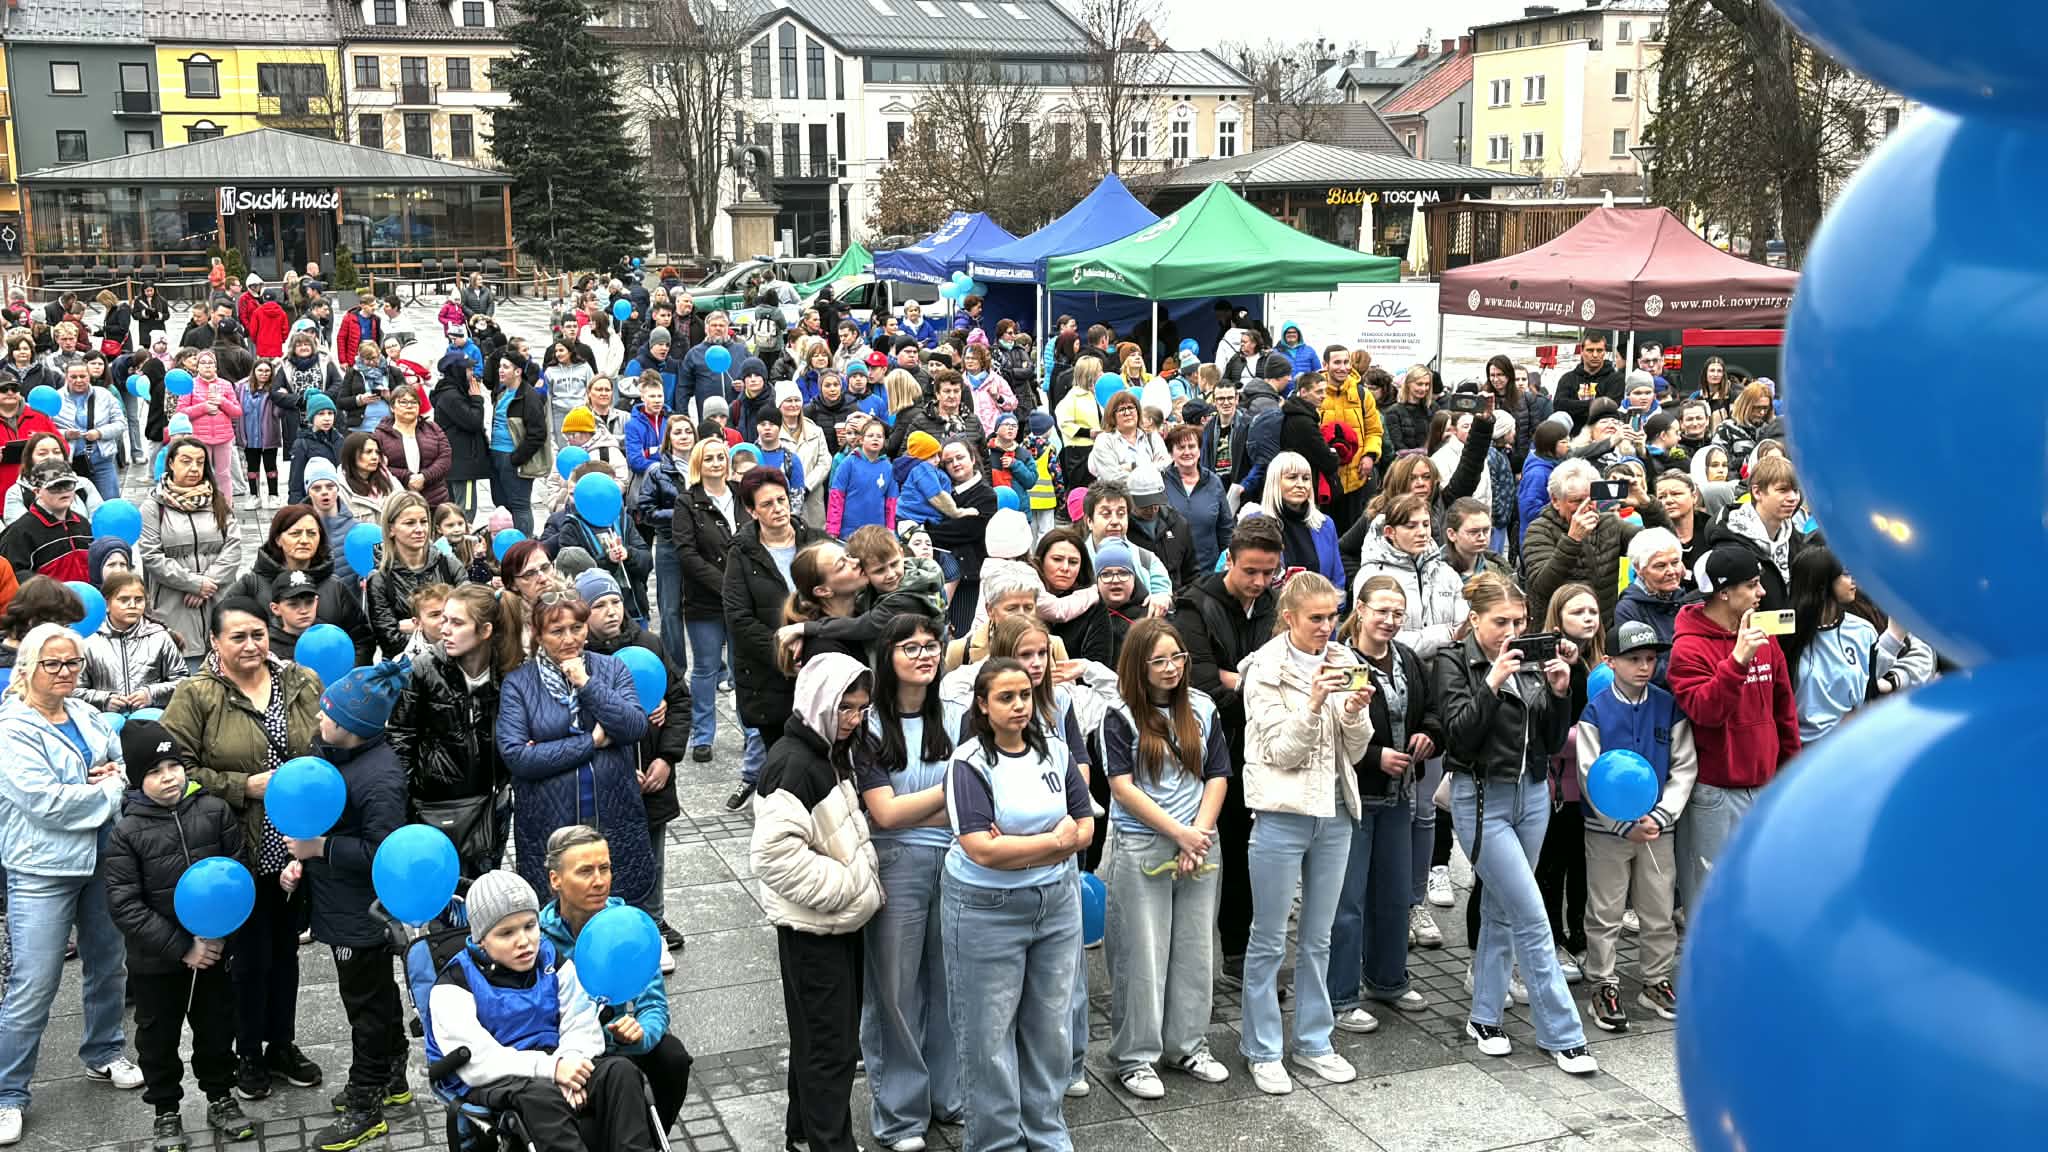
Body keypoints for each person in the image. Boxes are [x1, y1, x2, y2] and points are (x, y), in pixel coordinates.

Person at [159, 600, 324, 1103]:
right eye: (238, 637)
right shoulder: (196, 695)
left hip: (296, 846)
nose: (251, 645)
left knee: (287, 953)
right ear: (214, 642)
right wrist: (240, 786)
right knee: (248, 958)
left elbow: (321, 742)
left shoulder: (299, 681)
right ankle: (246, 1052)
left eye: (257, 634)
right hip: (237, 847)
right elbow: (172, 772)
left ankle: (282, 1044)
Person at [1434, 573, 1596, 1074]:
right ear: (1475, 619)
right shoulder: (1452, 660)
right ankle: (1562, 1033)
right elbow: (1458, 737)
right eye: (1500, 622)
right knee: (1531, 914)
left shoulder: (1529, 660)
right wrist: (1491, 682)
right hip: (1480, 797)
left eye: (1519, 621)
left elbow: (1549, 741)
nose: (1512, 631)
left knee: (1506, 910)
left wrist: (1561, 691)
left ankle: (1484, 1017)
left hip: (1532, 794)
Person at [942, 657, 1093, 1152]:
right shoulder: (968, 763)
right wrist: (1055, 843)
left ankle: (1046, 1134)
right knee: (987, 1037)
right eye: (1005, 697)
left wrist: (1028, 845)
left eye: (1025, 695)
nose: (1019, 706)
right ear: (982, 707)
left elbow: (1085, 820)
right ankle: (996, 1142)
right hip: (986, 908)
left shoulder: (1054, 750)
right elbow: (982, 848)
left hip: (1054, 903)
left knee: (1049, 1028)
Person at [0, 624, 143, 1147]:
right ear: (29, 667)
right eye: (53, 664)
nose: (65, 673)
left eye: (73, 663)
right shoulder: (12, 729)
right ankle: (7, 1092)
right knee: (33, 983)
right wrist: (105, 790)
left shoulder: (84, 712)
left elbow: (124, 763)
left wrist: (109, 779)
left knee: (109, 966)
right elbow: (48, 804)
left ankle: (104, 1052)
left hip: (102, 858)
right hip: (42, 868)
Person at [1236, 572, 1371, 1095]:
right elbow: (1280, 753)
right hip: (1281, 810)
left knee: (1319, 935)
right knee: (1268, 937)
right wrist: (1315, 704)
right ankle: (1263, 1047)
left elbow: (1355, 751)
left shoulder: (1344, 660)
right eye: (1316, 618)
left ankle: (1315, 1041)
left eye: (1332, 616)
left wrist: (1356, 715)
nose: (1326, 627)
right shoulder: (1264, 670)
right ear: (1288, 617)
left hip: (1335, 810)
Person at [424, 870, 664, 1152]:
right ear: (480, 940)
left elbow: (582, 1020)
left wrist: (570, 1064)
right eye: (506, 933)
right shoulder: (454, 984)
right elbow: (479, 1063)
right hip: (495, 1077)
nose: (524, 941)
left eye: (529, 926)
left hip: (556, 1060)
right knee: (541, 1096)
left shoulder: (550, 958)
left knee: (620, 1072)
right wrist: (552, 1071)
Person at [104, 718, 259, 1152]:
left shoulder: (214, 811)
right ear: (137, 780)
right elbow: (126, 905)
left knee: (215, 1027)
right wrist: (183, 947)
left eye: (173, 765)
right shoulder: (126, 833)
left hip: (215, 952)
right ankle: (166, 1110)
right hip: (158, 961)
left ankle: (220, 1096)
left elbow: (237, 871)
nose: (168, 777)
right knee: (157, 1036)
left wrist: (221, 935)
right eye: (154, 772)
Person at [749, 653, 880, 1152]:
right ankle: (830, 1142)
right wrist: (848, 884)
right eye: (846, 708)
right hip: (816, 928)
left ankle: (804, 1132)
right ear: (822, 701)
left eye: (862, 708)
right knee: (831, 1046)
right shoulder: (795, 763)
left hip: (833, 925)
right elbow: (773, 856)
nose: (855, 719)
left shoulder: (824, 749)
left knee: (821, 1038)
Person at [1102, 618, 1232, 1100]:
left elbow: (1217, 773)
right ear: (1138, 665)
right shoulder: (1119, 715)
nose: (1172, 668)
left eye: (1177, 657)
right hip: (1144, 843)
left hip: (1200, 839)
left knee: (1196, 951)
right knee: (1142, 953)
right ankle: (1135, 1057)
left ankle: (1188, 1045)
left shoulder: (1202, 707)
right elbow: (1121, 786)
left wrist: (1197, 835)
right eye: (1159, 661)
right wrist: (1177, 833)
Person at [286, 662, 410, 1151]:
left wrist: (320, 850)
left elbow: (383, 852)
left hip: (363, 914)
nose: (319, 718)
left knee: (365, 1006)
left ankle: (366, 1102)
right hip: (339, 903)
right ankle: (393, 1076)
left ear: (353, 728)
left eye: (328, 714)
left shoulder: (379, 778)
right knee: (376, 997)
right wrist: (305, 863)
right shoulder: (337, 758)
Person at [851, 615, 962, 1150]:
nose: (925, 655)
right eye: (911, 647)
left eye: (931, 646)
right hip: (893, 866)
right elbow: (886, 816)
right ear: (887, 657)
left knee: (949, 983)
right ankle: (899, 1112)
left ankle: (950, 1093)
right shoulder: (868, 725)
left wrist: (928, 806)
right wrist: (953, 792)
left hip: (959, 865)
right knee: (894, 989)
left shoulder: (959, 715)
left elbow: (975, 806)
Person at [1168, 518, 1281, 984]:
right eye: (1251, 571)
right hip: (1217, 751)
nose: (1259, 583)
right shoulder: (1194, 607)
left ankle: (1247, 948)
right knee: (1227, 849)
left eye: (1268, 573)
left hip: (1268, 749)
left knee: (1255, 856)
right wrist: (1262, 684)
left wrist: (1244, 679)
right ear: (1229, 560)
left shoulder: (1275, 603)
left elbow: (1295, 667)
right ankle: (1230, 953)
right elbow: (1205, 687)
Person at [1328, 574, 1440, 1033]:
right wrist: (1376, 756)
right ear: (1361, 609)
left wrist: (1428, 735)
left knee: (1394, 894)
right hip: (1353, 796)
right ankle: (1339, 994)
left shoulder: (1407, 659)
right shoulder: (1340, 659)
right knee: (1348, 900)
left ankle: (1389, 978)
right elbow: (1333, 730)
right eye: (1382, 611)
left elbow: (1431, 708)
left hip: (1399, 796)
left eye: (1398, 613)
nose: (1391, 620)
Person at [1575, 620, 1694, 1033]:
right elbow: (1590, 772)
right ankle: (1603, 982)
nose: (1644, 667)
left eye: (1650, 659)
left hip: (1658, 829)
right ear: (1610, 662)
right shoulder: (1596, 710)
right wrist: (1621, 823)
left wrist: (1662, 814)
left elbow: (1684, 766)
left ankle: (1655, 979)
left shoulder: (1668, 705)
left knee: (1658, 908)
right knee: (1605, 909)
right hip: (1606, 832)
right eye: (1633, 660)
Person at [496, 592, 653, 906]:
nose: (570, 638)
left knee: (616, 907)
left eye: (577, 628)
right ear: (538, 635)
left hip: (612, 813)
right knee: (560, 915)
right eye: (557, 631)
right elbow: (518, 757)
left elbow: (634, 726)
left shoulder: (611, 670)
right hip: (550, 821)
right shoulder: (519, 684)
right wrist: (590, 742)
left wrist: (587, 683)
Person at [1668, 544, 1801, 912]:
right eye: (1753, 585)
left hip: (1766, 783)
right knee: (1712, 897)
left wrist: (1790, 772)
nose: (1762, 593)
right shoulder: (1689, 648)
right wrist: (1738, 660)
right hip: (1717, 791)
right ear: (1724, 592)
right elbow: (1706, 711)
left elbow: (1783, 709)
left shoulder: (1763, 633)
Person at [539, 826, 695, 1135]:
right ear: (555, 880)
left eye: (605, 868)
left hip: (623, 1048)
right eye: (585, 871)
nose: (599, 881)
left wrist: (640, 1035)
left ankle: (650, 1139)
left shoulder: (630, 926)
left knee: (673, 1058)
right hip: (567, 1055)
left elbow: (654, 1006)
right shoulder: (537, 941)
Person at [575, 569, 688, 953]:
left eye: (616, 603)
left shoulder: (649, 644)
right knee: (605, 856)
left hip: (653, 775)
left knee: (652, 852)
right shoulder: (579, 659)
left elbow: (680, 699)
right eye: (599, 605)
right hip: (607, 780)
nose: (611, 612)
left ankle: (653, 919)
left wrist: (668, 758)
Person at [392, 584, 521, 879]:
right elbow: (401, 738)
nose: (444, 629)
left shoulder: (508, 671)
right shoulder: (422, 669)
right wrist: (410, 800)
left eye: (457, 622)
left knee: (485, 893)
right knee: (444, 899)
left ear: (485, 631)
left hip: (491, 805)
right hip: (437, 806)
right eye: (444, 619)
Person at [722, 467, 823, 810]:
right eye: (767, 504)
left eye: (782, 500)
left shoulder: (815, 541)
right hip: (769, 677)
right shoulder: (741, 554)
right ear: (752, 511)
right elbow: (738, 617)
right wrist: (783, 649)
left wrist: (816, 641)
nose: (778, 508)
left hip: (818, 664)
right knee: (784, 761)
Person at [1520, 458, 1671, 626]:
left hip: (1602, 631)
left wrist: (1647, 505)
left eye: (1591, 499)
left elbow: (1662, 546)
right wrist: (1572, 540)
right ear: (1555, 500)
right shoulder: (1539, 530)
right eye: (1576, 501)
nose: (1586, 507)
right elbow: (1542, 586)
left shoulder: (1609, 523)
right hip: (1558, 632)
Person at [141, 438, 241, 668]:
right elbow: (151, 555)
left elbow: (234, 546)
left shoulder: (217, 500)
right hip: (175, 604)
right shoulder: (154, 506)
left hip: (219, 599)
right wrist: (193, 583)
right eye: (186, 461)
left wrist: (208, 583)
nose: (194, 468)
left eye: (200, 462)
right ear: (171, 464)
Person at [670, 437, 737, 765]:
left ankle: (752, 731)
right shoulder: (687, 502)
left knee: (744, 668)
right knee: (706, 668)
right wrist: (724, 585)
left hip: (743, 600)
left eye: (720, 457)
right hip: (704, 601)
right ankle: (702, 735)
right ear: (699, 463)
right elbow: (686, 553)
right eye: (708, 458)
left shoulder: (741, 495)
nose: (715, 463)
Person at [363, 493, 464, 660]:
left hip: (456, 664)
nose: (419, 529)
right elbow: (391, 641)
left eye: (424, 522)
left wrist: (419, 627)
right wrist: (442, 628)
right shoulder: (380, 579)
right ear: (391, 529)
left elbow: (470, 617)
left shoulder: (449, 565)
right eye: (410, 523)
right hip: (405, 672)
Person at [77, 570, 188, 716]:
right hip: (103, 720)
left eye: (139, 599)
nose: (132, 605)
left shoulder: (159, 637)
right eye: (123, 599)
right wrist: (104, 700)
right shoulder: (89, 640)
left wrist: (151, 694)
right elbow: (73, 689)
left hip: (150, 719)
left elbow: (183, 682)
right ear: (107, 604)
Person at [1718, 455, 1808, 611]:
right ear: (1757, 492)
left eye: (1796, 490)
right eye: (1782, 490)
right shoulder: (1730, 544)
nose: (1793, 498)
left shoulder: (1797, 539)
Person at [1255, 452, 1344, 591]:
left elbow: (1337, 579)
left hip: (1320, 608)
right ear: (1274, 482)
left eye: (1306, 478)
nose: (1301, 484)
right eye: (1292, 477)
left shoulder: (1325, 524)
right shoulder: (1256, 523)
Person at [0, 459, 94, 582]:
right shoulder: (20, 532)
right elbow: (12, 577)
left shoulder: (83, 523)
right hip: (46, 600)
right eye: (55, 486)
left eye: (69, 484)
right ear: (37, 491)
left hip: (87, 598)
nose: (64, 491)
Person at [1160, 423, 1232, 573]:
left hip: (1209, 571)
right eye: (1180, 447)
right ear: (1171, 453)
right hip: (1173, 572)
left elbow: (1225, 528)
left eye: (1192, 446)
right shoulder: (1161, 482)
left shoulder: (1214, 482)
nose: (1187, 452)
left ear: (1199, 450)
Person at [53, 360, 125, 500]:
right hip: (70, 463)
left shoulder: (104, 395)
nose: (78, 380)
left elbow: (121, 423)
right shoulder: (56, 398)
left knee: (110, 503)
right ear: (66, 377)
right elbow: (46, 429)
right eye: (73, 377)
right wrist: (65, 434)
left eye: (82, 376)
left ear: (89, 376)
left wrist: (100, 433)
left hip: (102, 460)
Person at [372, 388, 451, 509]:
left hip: (435, 499)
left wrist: (425, 477)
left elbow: (445, 457)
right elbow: (378, 465)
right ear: (392, 407)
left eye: (414, 402)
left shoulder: (433, 428)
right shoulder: (380, 434)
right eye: (403, 402)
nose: (409, 406)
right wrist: (406, 477)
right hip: (398, 501)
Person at [175, 352, 242, 491]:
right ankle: (204, 506)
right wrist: (203, 407)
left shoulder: (225, 385)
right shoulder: (190, 386)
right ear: (197, 367)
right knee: (201, 474)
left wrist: (222, 401)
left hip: (223, 437)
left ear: (216, 367)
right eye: (203, 363)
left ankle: (225, 508)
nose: (207, 366)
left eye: (210, 363)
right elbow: (181, 412)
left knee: (223, 475)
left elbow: (237, 412)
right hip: (199, 438)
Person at [235, 360, 285, 509]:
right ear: (254, 371)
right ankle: (254, 495)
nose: (263, 374)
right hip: (249, 434)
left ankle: (273, 495)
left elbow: (278, 413)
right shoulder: (242, 389)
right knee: (252, 467)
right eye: (260, 370)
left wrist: (281, 399)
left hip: (268, 434)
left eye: (267, 371)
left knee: (270, 466)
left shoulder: (274, 390)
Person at [1551, 335, 1621, 428]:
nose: (1595, 355)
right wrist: (1595, 404)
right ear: (1582, 351)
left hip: (1602, 435)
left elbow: (1609, 408)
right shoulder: (1568, 378)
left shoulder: (1615, 379)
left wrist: (1574, 406)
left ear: (1604, 352)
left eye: (1599, 350)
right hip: (1572, 436)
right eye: (1590, 350)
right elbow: (1559, 405)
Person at [337, 432, 396, 524]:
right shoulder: (340, 489)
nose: (375, 457)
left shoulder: (388, 479)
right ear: (351, 455)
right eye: (368, 452)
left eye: (377, 452)